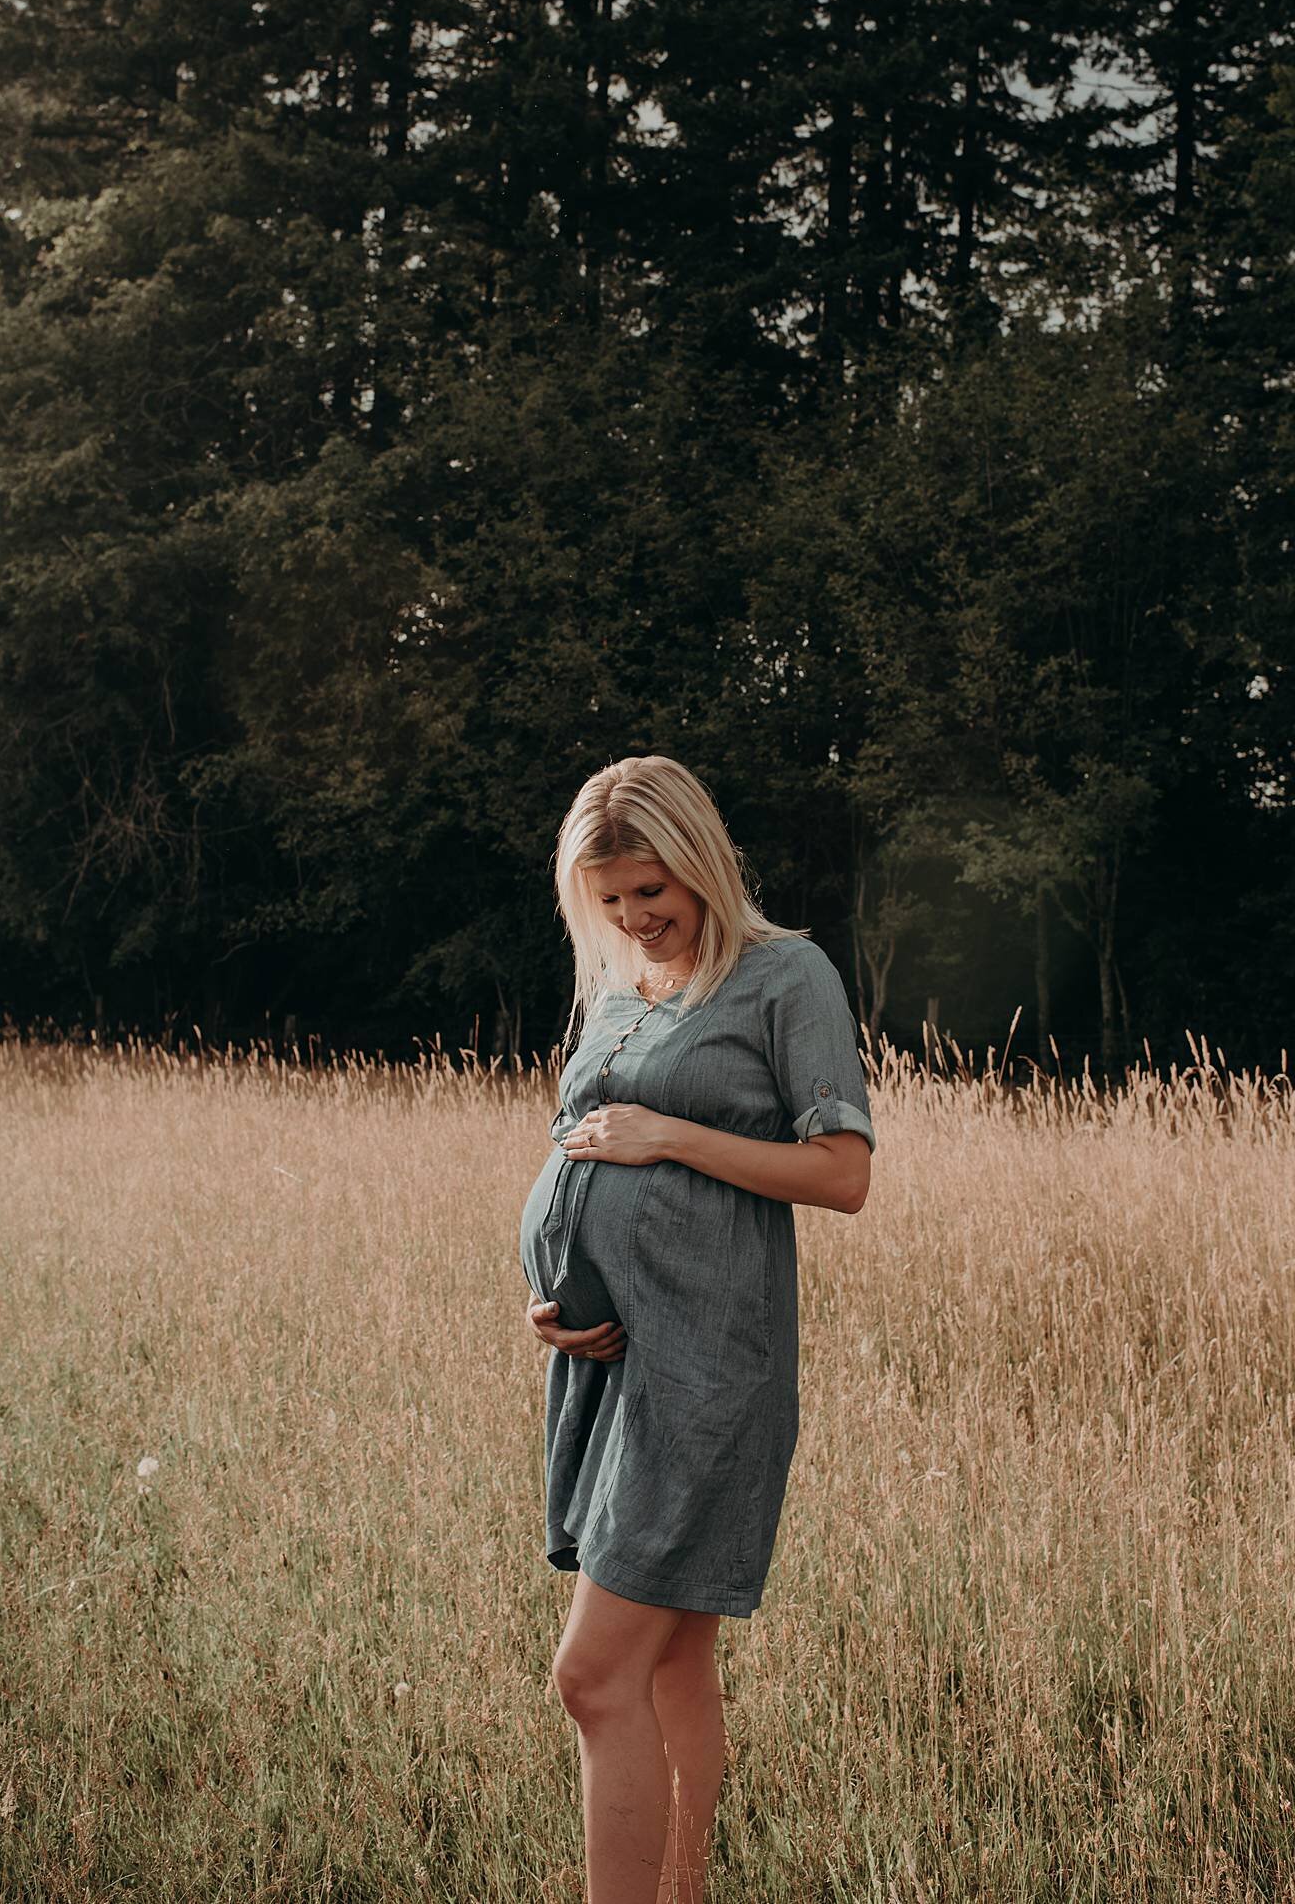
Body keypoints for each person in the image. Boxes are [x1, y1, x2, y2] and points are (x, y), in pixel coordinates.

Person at [519, 754, 876, 1904]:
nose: (635, 917)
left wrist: (666, 1138)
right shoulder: (620, 990)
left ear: (703, 863)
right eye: (611, 899)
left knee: (590, 1677)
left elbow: (841, 1174)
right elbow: (586, 1155)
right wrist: (561, 1298)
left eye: (651, 890)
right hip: (610, 1371)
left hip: (707, 1375)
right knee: (673, 1663)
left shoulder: (786, 977)